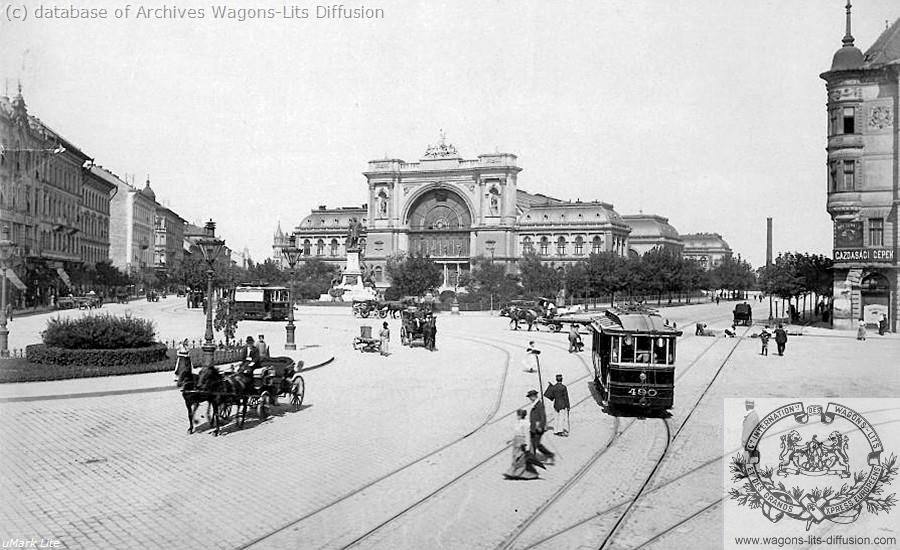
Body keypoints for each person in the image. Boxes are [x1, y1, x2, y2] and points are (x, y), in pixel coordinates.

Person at [503, 409, 543, 480]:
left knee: (520, 458)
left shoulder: (526, 423)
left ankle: (518, 473)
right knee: (515, 457)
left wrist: (527, 445)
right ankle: (513, 472)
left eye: (518, 415)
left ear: (521, 415)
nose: (517, 416)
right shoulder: (518, 422)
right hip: (516, 441)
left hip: (522, 442)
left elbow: (527, 434)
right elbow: (516, 432)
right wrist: (510, 440)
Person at [526, 390, 555, 465]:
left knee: (537, 444)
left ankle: (550, 455)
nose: (529, 398)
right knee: (532, 443)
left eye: (530, 397)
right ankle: (532, 458)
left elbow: (543, 417)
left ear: (534, 396)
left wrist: (541, 426)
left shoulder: (539, 405)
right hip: (533, 428)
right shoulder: (534, 404)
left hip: (538, 428)